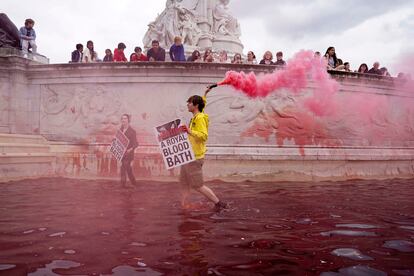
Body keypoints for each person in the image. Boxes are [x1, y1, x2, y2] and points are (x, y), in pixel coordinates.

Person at [179, 87, 227, 211]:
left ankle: (219, 203)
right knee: (184, 184)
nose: (187, 104)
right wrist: (205, 93)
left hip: (194, 157)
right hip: (187, 156)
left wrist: (189, 131)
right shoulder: (197, 114)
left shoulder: (199, 118)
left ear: (195, 105)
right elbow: (202, 103)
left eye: (189, 103)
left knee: (197, 185)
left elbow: (204, 136)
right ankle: (183, 205)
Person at [119, 114, 138, 187]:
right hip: (122, 153)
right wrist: (114, 140)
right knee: (127, 168)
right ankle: (133, 182)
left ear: (128, 120)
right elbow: (118, 140)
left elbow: (136, 143)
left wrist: (131, 149)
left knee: (123, 167)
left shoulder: (132, 131)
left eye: (125, 118)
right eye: (122, 118)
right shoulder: (120, 130)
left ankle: (123, 184)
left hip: (128, 154)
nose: (123, 120)